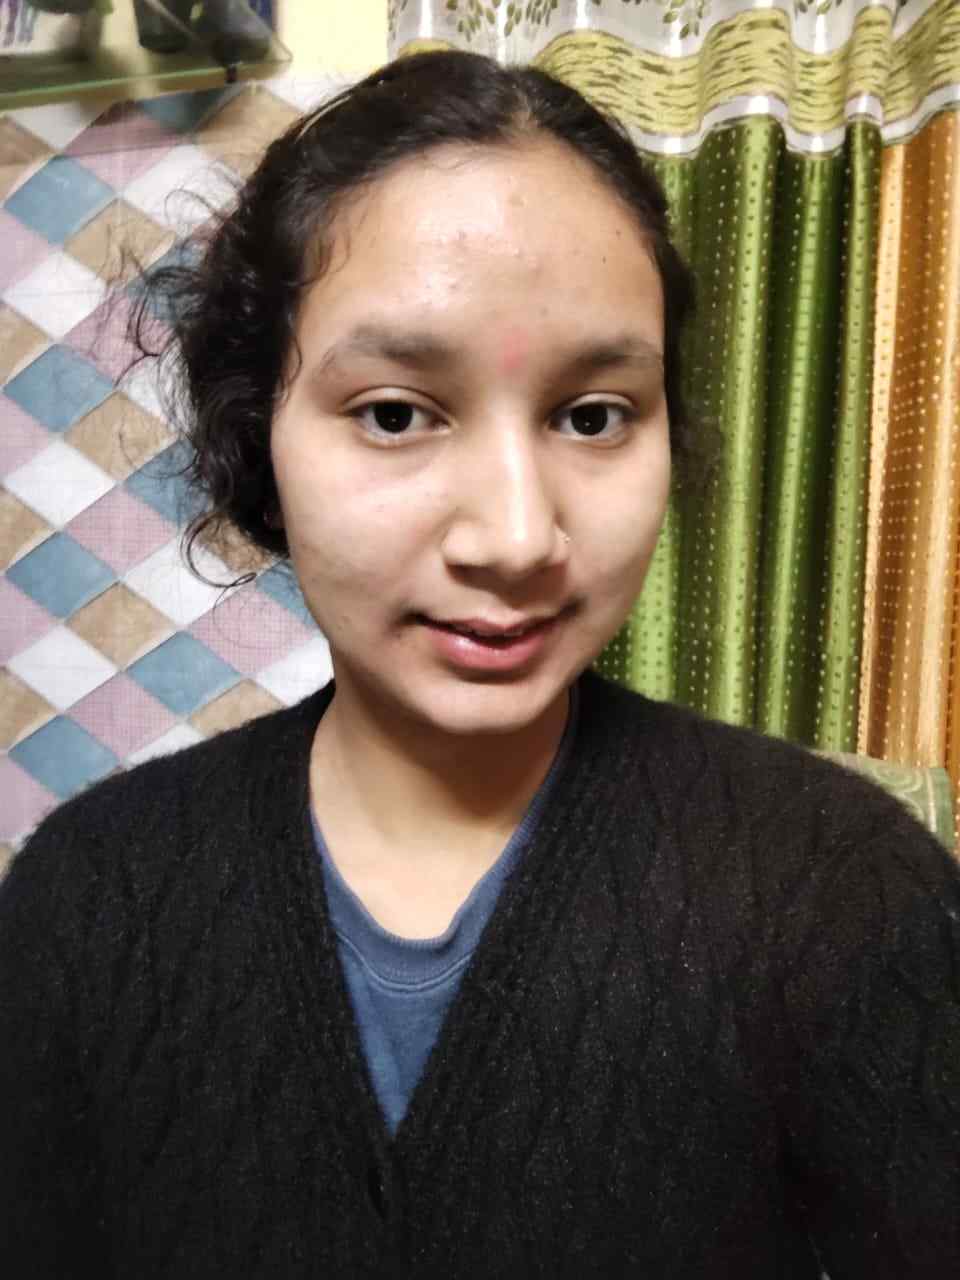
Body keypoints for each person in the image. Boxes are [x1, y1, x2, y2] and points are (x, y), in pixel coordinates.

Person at [1, 50, 958, 1279]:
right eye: (397, 412)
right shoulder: (89, 900)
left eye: (594, 415)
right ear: (259, 435)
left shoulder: (848, 888)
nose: (515, 537)